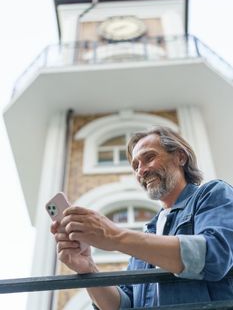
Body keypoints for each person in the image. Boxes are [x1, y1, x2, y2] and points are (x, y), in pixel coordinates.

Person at [51, 126, 233, 309]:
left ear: (180, 157)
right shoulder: (150, 231)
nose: (141, 171)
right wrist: (87, 268)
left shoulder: (212, 193)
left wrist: (114, 236)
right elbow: (124, 305)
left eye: (149, 158)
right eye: (135, 166)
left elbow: (216, 255)